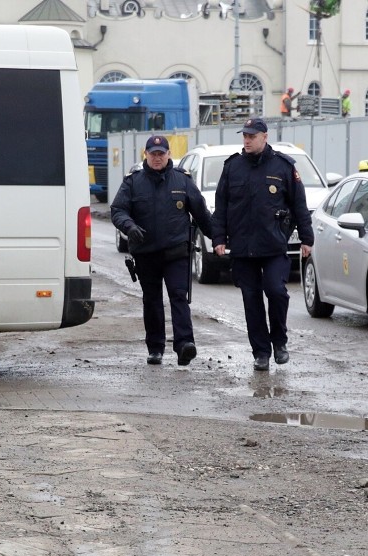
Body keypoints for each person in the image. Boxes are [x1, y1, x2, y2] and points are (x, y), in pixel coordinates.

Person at [211, 118, 313, 371]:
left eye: (251, 136)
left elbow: (299, 204)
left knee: (276, 291)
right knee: (251, 298)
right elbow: (221, 206)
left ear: (264, 137)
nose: (246, 140)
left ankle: (279, 342)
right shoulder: (232, 167)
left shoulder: (283, 166)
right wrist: (219, 239)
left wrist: (306, 238)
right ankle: (261, 352)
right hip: (243, 247)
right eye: (244, 136)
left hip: (273, 243)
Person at [111, 135, 213, 366]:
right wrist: (130, 226)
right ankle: (155, 348)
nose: (157, 158)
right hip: (146, 253)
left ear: (168, 155)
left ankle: (185, 344)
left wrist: (218, 239)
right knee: (152, 300)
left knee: (179, 296)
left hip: (176, 252)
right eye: (153, 153)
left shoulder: (182, 180)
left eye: (161, 153)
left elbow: (202, 214)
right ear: (146, 155)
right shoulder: (133, 182)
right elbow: (117, 210)